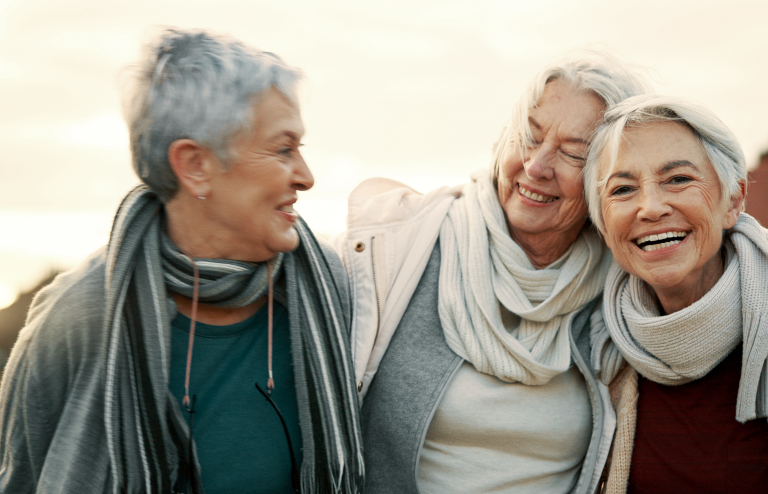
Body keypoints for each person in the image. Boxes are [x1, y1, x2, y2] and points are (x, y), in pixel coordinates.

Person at [0, 29, 364, 494]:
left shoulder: (331, 292)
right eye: (282, 149)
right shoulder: (75, 317)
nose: (306, 177)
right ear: (194, 165)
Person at [333, 50, 650, 494]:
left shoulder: (623, 292)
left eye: (573, 154)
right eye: (529, 136)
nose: (537, 167)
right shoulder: (410, 248)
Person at [585, 95, 768, 493]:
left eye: (678, 179)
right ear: (602, 224)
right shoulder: (597, 351)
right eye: (622, 189)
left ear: (733, 201)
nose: (650, 208)